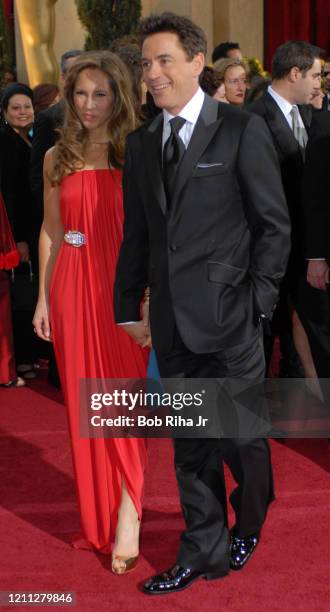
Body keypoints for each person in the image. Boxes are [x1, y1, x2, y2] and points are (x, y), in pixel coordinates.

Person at [114, 12, 290, 595]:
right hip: (171, 322)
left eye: (164, 60)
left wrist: (259, 303)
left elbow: (272, 224)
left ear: (196, 62)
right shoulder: (141, 143)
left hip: (233, 318)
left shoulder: (239, 128)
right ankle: (204, 549)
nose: (153, 73)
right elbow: (138, 233)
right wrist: (125, 303)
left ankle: (253, 517)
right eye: (147, 63)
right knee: (191, 447)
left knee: (241, 438)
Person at [33, 51, 150, 574]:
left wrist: (149, 294)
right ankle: (100, 516)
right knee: (87, 408)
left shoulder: (139, 152)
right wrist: (41, 297)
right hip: (72, 287)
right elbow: (51, 230)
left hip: (123, 290)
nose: (88, 104)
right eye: (80, 93)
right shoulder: (57, 156)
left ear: (119, 96)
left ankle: (130, 511)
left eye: (100, 93)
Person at [247, 41, 323, 380]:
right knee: (264, 333)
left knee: (311, 323)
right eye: (317, 75)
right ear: (295, 73)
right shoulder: (252, 118)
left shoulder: (310, 113)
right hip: (267, 248)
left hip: (306, 248)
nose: (320, 83)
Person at [0, 83, 40, 379]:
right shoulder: (6, 143)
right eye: (16, 108)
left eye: (27, 106)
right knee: (21, 296)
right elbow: (10, 195)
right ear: (4, 113)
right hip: (20, 234)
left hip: (34, 227)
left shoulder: (30, 139)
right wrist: (20, 239)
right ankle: (23, 358)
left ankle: (30, 355)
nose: (23, 112)